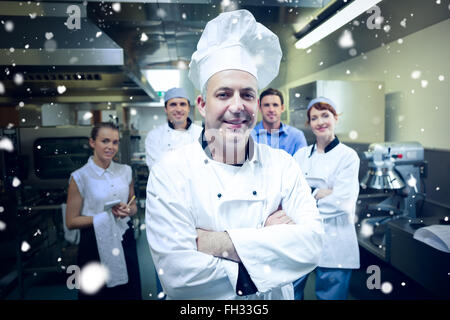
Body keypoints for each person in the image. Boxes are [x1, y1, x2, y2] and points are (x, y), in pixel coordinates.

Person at [145, 9, 323, 300]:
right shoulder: (171, 171)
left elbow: (312, 245)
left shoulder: (282, 165)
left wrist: (214, 242)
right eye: (224, 94)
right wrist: (268, 242)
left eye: (248, 95)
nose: (238, 106)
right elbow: (178, 275)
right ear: (202, 105)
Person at [292, 97, 360, 300]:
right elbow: (290, 195)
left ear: (335, 118)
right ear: (309, 124)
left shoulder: (348, 156)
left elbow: (342, 202)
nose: (320, 122)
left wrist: (307, 194)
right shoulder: (300, 156)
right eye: (314, 118)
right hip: (302, 238)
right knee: (290, 294)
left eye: (325, 115)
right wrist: (320, 192)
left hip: (335, 240)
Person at [66, 122, 142, 300]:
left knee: (128, 293)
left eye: (115, 142)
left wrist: (128, 210)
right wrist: (103, 218)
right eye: (105, 141)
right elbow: (71, 222)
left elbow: (133, 205)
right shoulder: (80, 177)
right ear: (92, 142)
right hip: (93, 243)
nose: (111, 147)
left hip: (124, 239)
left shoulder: (126, 171)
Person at [145, 87, 203, 169]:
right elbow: (157, 169)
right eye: (173, 104)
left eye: (182, 104)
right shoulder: (154, 136)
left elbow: (205, 167)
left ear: (189, 108)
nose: (178, 109)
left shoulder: (201, 133)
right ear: (166, 109)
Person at [251, 88, 307, 156]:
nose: (271, 109)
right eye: (266, 105)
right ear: (260, 108)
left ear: (282, 108)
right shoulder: (249, 136)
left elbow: (302, 165)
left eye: (275, 105)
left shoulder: (296, 136)